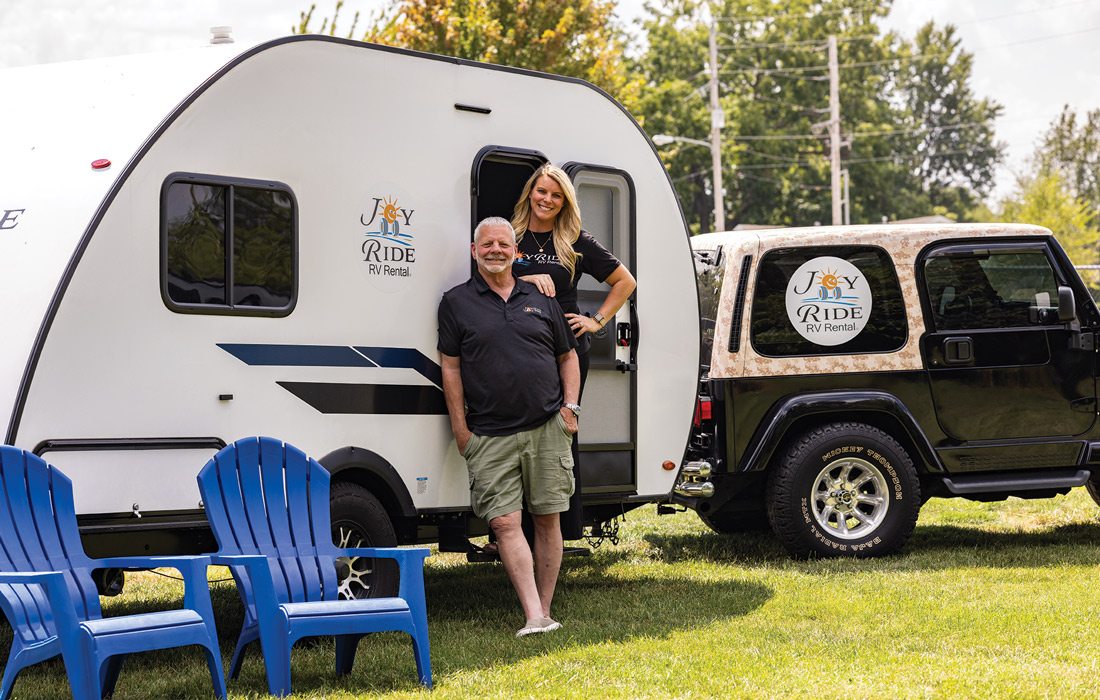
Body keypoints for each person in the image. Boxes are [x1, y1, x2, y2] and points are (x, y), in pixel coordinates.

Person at [438, 216, 581, 637]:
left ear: (515, 252)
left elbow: (567, 356)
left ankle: (545, 611)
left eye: (504, 243)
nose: (496, 250)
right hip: (488, 434)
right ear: (474, 251)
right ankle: (533, 615)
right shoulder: (456, 302)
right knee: (503, 523)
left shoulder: (539, 297)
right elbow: (450, 367)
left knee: (548, 518)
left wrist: (570, 408)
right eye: (488, 244)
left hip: (546, 426)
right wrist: (461, 429)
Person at [511, 163, 637, 538]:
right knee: (517, 432)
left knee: (559, 432)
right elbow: (487, 272)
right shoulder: (511, 234)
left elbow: (624, 281)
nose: (547, 200)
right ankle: (514, 530)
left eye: (556, 195)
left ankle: (560, 529)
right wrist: (526, 277)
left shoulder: (575, 239)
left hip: (564, 348)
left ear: (564, 201)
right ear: (530, 193)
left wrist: (596, 321)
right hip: (517, 345)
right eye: (542, 191)